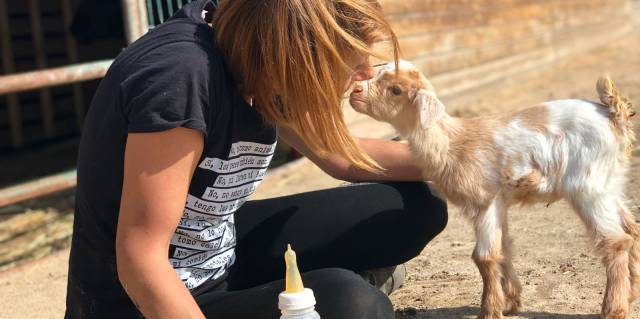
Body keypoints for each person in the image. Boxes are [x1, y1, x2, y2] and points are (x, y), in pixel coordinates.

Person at [64, 1, 448, 318]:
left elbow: (340, 156)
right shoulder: (181, 79)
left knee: (417, 205)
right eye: (351, 59)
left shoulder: (254, 49)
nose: (366, 72)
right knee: (355, 305)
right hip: (143, 300)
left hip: (219, 248)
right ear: (296, 52)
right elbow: (140, 258)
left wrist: (471, 160)